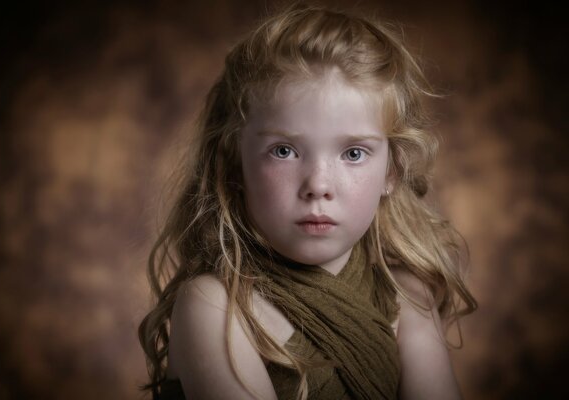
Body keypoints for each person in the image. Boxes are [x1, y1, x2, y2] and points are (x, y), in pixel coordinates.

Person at [139, 2, 477, 399]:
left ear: (391, 173)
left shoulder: (407, 299)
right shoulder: (216, 309)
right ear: (234, 165)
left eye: (353, 153)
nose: (318, 185)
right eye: (284, 151)